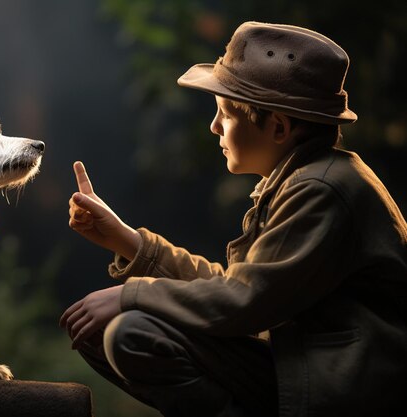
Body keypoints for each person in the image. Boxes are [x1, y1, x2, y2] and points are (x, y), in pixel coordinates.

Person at [59, 21, 407, 417]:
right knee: (99, 330)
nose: (214, 127)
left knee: (131, 331)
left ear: (278, 127)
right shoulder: (303, 177)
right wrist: (127, 241)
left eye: (225, 113)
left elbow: (242, 303)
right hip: (298, 370)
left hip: (339, 391)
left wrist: (130, 293)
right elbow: (237, 289)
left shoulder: (322, 188)